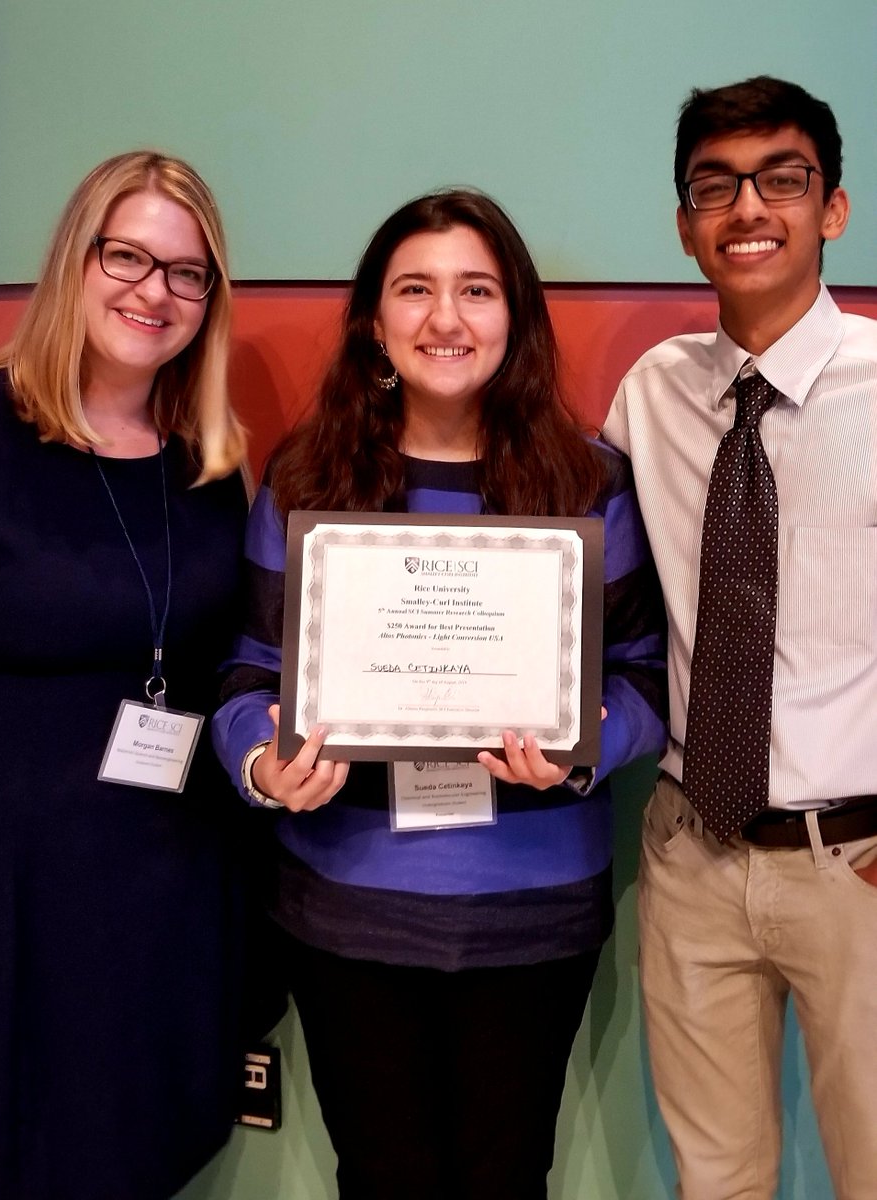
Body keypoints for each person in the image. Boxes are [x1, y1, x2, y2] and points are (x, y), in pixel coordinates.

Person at [214, 188, 667, 1200]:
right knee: (380, 1178)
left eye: (476, 290)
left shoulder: (588, 483)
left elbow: (645, 676)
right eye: (415, 290)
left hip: (532, 908)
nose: (446, 319)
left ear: (516, 316)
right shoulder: (304, 480)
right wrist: (261, 759)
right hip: (344, 907)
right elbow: (247, 669)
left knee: (510, 1178)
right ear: (375, 321)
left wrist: (589, 742)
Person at [603, 76, 877, 1199]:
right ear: (684, 224)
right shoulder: (653, 393)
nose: (747, 206)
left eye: (782, 177)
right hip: (691, 859)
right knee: (714, 1184)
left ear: (834, 209)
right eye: (714, 185)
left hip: (856, 864)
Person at [0, 151, 256, 1200]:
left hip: (161, 890)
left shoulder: (212, 468)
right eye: (129, 256)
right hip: (5, 896)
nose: (155, 292)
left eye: (188, 273)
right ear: (75, 260)